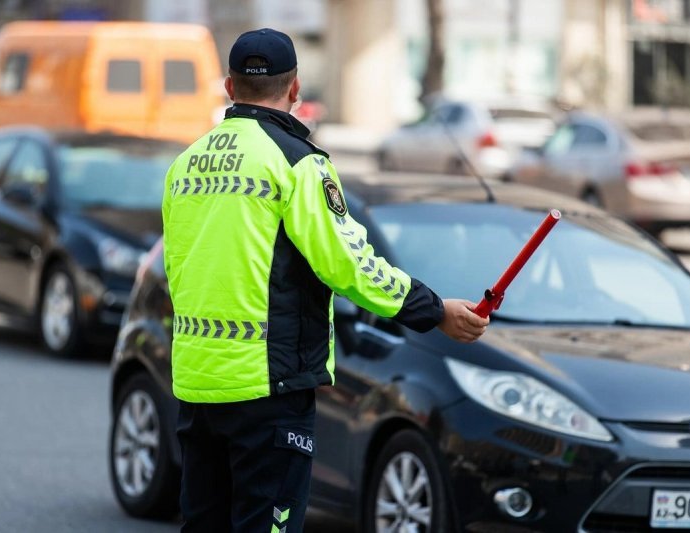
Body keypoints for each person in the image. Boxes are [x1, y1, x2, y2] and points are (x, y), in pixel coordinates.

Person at [161, 28, 489, 532]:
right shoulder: (298, 163)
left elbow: (179, 267)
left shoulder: (185, 166)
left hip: (197, 382)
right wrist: (434, 310)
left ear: (229, 86)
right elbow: (348, 266)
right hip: (267, 387)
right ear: (295, 89)